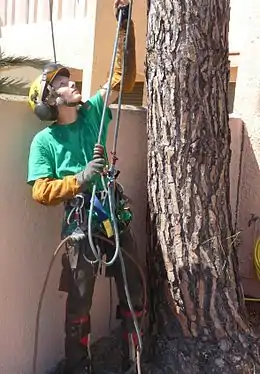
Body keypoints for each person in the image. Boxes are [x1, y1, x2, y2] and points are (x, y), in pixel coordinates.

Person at [27, 1, 144, 373]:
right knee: (79, 302)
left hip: (111, 213)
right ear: (49, 100)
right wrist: (79, 178)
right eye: (62, 83)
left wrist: (124, 28)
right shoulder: (44, 142)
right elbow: (40, 190)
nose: (72, 83)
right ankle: (80, 367)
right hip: (80, 226)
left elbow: (122, 79)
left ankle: (134, 361)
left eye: (69, 79)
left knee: (134, 287)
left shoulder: (93, 111)